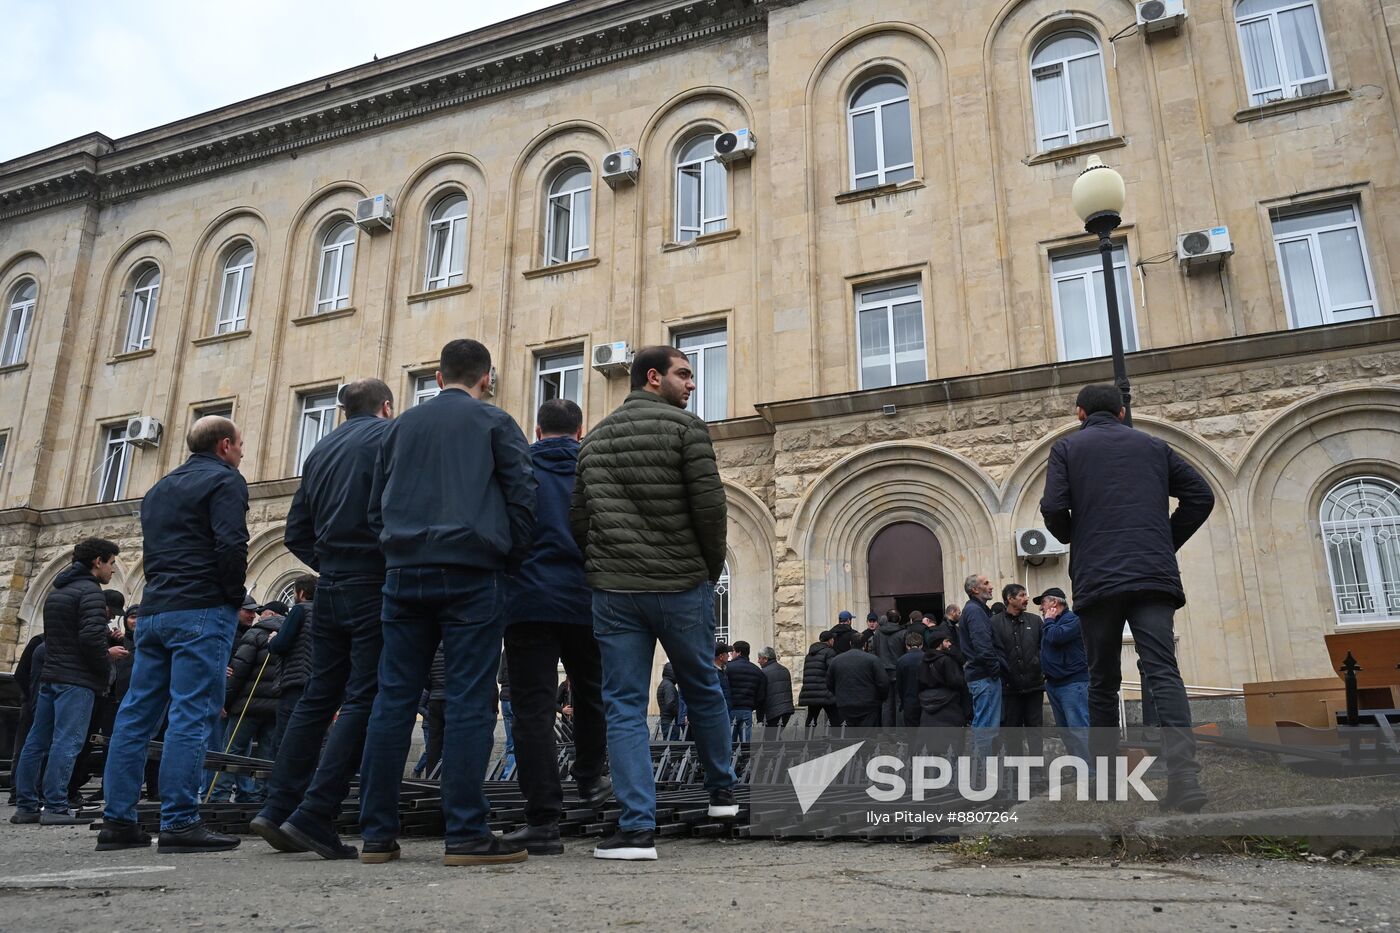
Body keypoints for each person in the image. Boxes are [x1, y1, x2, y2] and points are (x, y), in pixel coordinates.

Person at [355, 340, 535, 867]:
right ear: (487, 378)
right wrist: (509, 556)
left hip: (403, 573)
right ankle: (465, 835)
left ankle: (377, 835)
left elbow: (375, 508)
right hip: (474, 573)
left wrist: (398, 550)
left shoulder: (398, 428)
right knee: (468, 700)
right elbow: (522, 498)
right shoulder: (496, 423)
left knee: (393, 700)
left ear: (437, 376)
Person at [570, 344, 737, 861]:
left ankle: (636, 829)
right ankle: (722, 794)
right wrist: (707, 573)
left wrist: (602, 565)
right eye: (683, 375)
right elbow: (710, 511)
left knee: (622, 705)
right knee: (703, 686)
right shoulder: (688, 431)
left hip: (615, 593)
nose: (691, 384)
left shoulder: (592, 441)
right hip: (681, 585)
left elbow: (580, 520)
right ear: (651, 378)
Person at [1040, 383, 1215, 812]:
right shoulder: (1154, 446)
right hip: (1152, 576)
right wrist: (1163, 542)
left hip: (1099, 579)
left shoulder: (1067, 450)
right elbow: (1201, 496)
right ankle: (1184, 779)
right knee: (1163, 671)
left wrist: (1073, 535)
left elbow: (1052, 508)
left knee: (1101, 680)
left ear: (1080, 414)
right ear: (1121, 413)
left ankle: (1105, 781)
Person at [252, 387, 399, 857]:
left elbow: (297, 530)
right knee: (363, 696)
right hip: (373, 581)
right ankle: (315, 813)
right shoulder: (389, 436)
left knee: (319, 696)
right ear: (388, 406)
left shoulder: (319, 451)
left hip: (331, 583)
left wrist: (331, 563)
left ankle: (277, 808)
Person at [100, 415, 249, 854]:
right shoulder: (225, 480)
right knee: (191, 714)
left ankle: (117, 821)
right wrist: (233, 594)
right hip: (201, 609)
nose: (242, 451)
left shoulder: (160, 488)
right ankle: (181, 822)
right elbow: (231, 543)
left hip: (155, 610)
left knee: (136, 715)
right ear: (224, 445)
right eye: (240, 444)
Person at [499, 398, 611, 857]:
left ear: (537, 429)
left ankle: (543, 821)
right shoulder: (597, 468)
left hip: (528, 601)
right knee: (592, 693)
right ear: (580, 430)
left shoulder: (517, 466)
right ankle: (590, 776)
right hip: (587, 599)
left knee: (532, 712)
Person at [11, 538, 125, 825]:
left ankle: (25, 806)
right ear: (97, 561)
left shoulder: (57, 591)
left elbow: (61, 635)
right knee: (67, 742)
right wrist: (106, 657)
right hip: (76, 680)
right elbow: (88, 639)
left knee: (36, 742)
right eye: (111, 563)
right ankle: (55, 806)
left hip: (52, 675)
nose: (112, 570)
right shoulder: (90, 592)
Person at [209, 607, 283, 803]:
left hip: (248, 704)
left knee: (232, 750)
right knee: (267, 753)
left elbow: (238, 670)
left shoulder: (256, 633)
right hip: (275, 705)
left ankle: (220, 795)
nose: (257, 616)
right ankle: (257, 796)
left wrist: (225, 701)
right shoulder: (288, 635)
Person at [1035, 587, 1090, 763]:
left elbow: (1057, 637)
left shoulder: (1072, 619)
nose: (1041, 608)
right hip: (1054, 685)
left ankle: (1090, 770)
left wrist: (1049, 621)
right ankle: (1078, 767)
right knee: (1066, 731)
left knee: (1079, 729)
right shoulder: (1051, 623)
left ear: (1054, 602)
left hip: (1072, 684)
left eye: (1043, 603)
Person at [992, 583, 1044, 760]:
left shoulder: (1035, 621)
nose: (1026, 598)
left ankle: (1036, 769)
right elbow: (994, 653)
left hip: (1034, 686)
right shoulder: (994, 623)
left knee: (1035, 730)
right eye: (1022, 595)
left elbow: (1043, 648)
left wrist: (1040, 667)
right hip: (1009, 688)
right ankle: (1016, 770)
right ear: (1010, 598)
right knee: (1013, 731)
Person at [958, 573, 1001, 774]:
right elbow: (983, 645)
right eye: (986, 583)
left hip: (981, 675)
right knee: (986, 727)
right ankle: (981, 771)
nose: (991, 586)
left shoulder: (976, 610)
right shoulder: (975, 611)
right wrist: (995, 669)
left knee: (983, 724)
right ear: (975, 590)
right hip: (984, 676)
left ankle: (980, 770)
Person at [267, 576, 316, 749]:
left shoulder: (299, 610)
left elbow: (281, 644)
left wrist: (273, 639)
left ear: (301, 592)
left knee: (283, 741)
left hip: (295, 682)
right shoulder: (326, 611)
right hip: (317, 683)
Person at [824, 642, 889, 727]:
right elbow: (883, 682)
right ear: (865, 644)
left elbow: (829, 682)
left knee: (848, 736)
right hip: (868, 704)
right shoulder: (873, 659)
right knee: (867, 737)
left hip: (844, 703)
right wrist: (881, 698)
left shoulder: (837, 660)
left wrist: (838, 695)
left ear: (850, 643)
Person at [918, 624, 971, 727]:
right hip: (948, 703)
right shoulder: (946, 660)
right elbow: (956, 682)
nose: (949, 644)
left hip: (928, 702)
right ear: (939, 644)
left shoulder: (923, 660)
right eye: (946, 641)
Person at [723, 641, 767, 743]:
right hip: (746, 710)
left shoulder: (728, 668)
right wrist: (752, 706)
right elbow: (761, 695)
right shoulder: (757, 671)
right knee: (746, 744)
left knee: (729, 744)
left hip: (730, 709)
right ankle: (746, 759)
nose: (731, 654)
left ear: (738, 653)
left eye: (733, 651)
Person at [868, 610, 906, 726]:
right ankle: (900, 732)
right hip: (899, 672)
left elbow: (873, 652)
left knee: (886, 703)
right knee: (900, 703)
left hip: (883, 672)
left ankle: (887, 732)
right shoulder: (903, 633)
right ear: (899, 618)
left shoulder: (878, 634)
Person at [797, 631, 839, 729]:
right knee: (835, 718)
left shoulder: (810, 654)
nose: (833, 641)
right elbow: (833, 670)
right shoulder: (829, 652)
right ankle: (838, 742)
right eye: (832, 639)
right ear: (829, 640)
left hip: (811, 692)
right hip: (825, 692)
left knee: (811, 718)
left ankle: (808, 741)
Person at [757, 647, 794, 732]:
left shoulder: (763, 672)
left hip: (772, 712)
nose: (758, 661)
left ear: (765, 659)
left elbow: (761, 694)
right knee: (775, 737)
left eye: (759, 658)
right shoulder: (785, 670)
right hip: (786, 709)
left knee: (770, 739)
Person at [894, 630, 925, 727]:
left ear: (907, 645)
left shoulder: (901, 661)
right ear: (922, 645)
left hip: (909, 700)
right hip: (926, 700)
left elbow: (899, 684)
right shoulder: (927, 658)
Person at [656, 662, 680, 740]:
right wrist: (680, 712)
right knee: (672, 748)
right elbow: (670, 703)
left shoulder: (665, 684)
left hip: (667, 721)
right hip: (670, 723)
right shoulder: (668, 686)